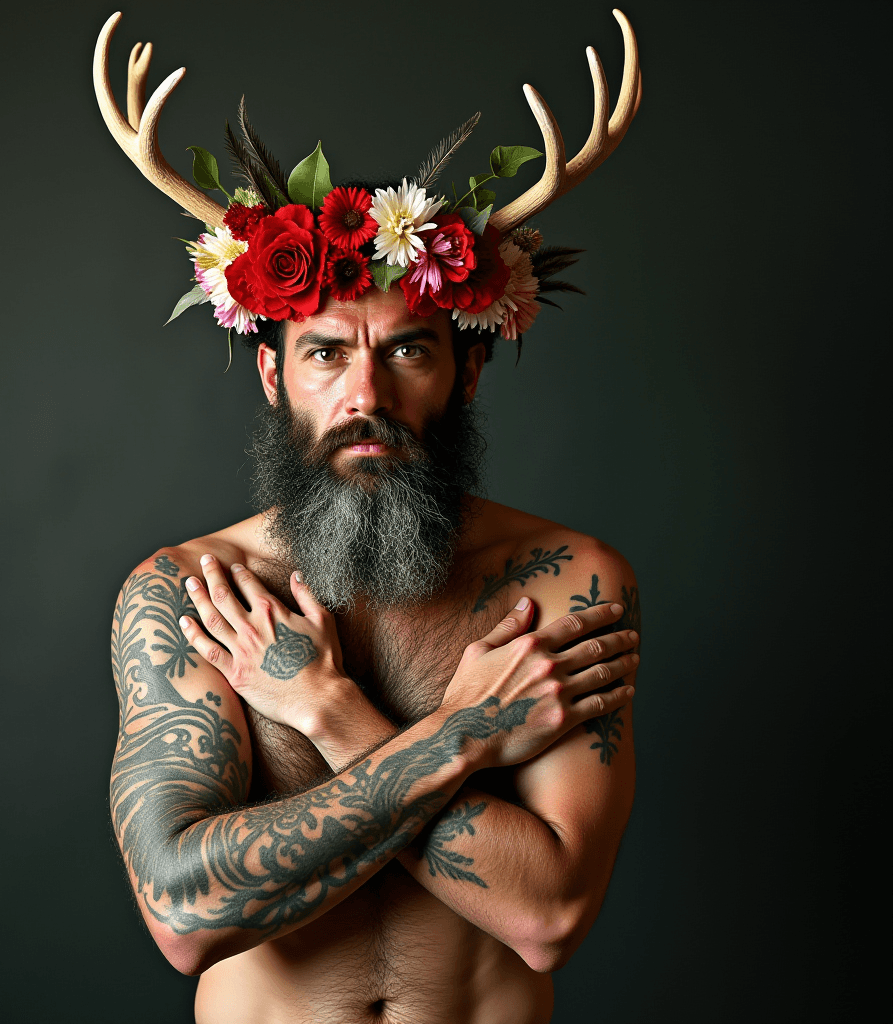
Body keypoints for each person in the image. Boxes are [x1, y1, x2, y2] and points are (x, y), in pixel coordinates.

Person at [97, 11, 643, 1022]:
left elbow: (550, 916)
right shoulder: (191, 595)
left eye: (406, 351)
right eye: (324, 354)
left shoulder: (565, 582)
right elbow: (184, 914)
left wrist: (328, 714)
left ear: (466, 370)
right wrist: (468, 732)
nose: (365, 397)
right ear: (272, 373)